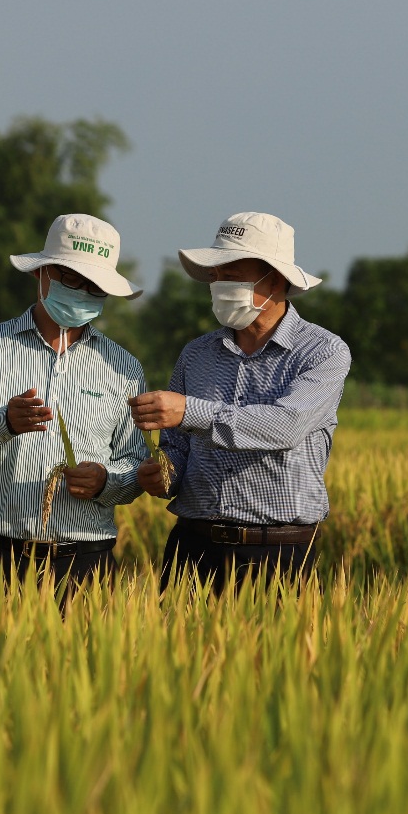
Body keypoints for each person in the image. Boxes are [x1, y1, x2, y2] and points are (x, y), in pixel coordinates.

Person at [130, 212, 351, 592]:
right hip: (193, 550)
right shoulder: (196, 354)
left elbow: (286, 425)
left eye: (232, 274)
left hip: (281, 553)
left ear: (276, 279)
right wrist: (164, 473)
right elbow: (178, 447)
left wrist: (188, 410)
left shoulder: (322, 351)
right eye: (215, 276)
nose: (218, 284)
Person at [0, 214, 148, 589]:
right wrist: (4, 423)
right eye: (71, 278)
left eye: (95, 286)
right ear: (41, 273)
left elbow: (135, 464)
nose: (82, 291)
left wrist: (105, 481)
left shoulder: (123, 367)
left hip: (87, 560)